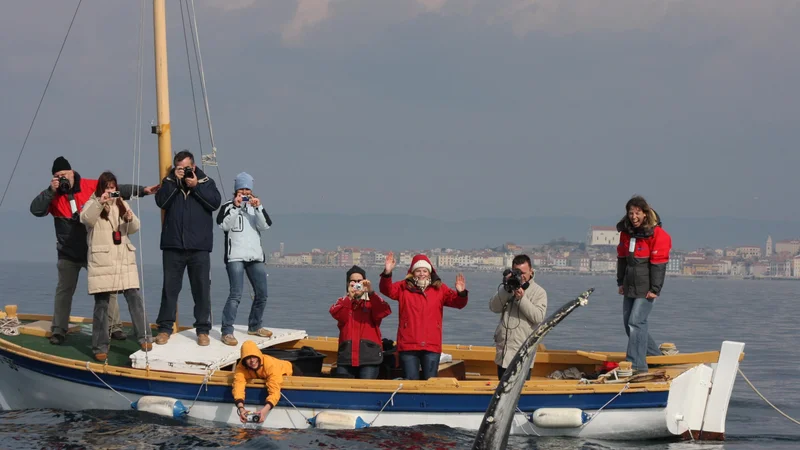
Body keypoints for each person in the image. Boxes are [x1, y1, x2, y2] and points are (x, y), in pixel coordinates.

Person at [30, 156, 158, 345]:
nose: (62, 178)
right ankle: (59, 330)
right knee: (64, 291)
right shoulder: (53, 195)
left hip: (94, 250)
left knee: (109, 288)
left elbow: (118, 189)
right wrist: (51, 190)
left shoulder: (91, 186)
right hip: (68, 252)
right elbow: (36, 210)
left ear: (72, 172)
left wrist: (143, 191)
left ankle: (114, 327)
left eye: (64, 175)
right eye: (58, 176)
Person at [79, 172, 153, 361]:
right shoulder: (92, 203)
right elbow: (86, 219)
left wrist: (129, 218)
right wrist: (100, 202)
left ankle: (145, 336)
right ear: (101, 188)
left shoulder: (122, 204)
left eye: (113, 187)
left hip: (123, 258)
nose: (110, 191)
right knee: (102, 304)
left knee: (134, 297)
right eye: (107, 187)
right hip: (102, 261)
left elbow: (135, 228)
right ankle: (99, 347)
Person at [154, 150, 221, 346]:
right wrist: (175, 182)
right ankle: (165, 329)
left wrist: (195, 187)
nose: (183, 171)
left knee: (201, 289)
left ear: (194, 165)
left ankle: (202, 330)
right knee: (169, 289)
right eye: (179, 168)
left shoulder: (206, 182)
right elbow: (161, 202)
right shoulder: (169, 182)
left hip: (199, 247)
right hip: (173, 245)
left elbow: (214, 203)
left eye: (186, 168)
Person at [379, 252, 468, 380]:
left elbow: (458, 303)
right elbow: (386, 290)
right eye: (418, 271)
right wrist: (387, 273)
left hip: (431, 344)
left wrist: (461, 293)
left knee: (430, 381)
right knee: (410, 381)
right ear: (412, 272)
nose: (422, 274)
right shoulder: (403, 287)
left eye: (425, 271)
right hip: (408, 344)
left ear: (430, 272)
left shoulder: (440, 289)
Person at [616, 195, 673, 374]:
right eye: (631, 213)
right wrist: (620, 282)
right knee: (629, 324)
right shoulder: (627, 233)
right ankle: (654, 356)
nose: (634, 217)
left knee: (636, 322)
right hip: (629, 284)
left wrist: (655, 289)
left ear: (645, 213)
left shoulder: (657, 235)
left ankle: (636, 364)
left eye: (637, 213)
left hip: (646, 287)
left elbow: (659, 264)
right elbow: (622, 259)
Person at [217, 172, 273, 346]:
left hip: (255, 257)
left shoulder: (255, 207)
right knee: (236, 294)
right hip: (235, 257)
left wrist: (258, 207)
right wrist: (236, 207)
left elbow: (265, 226)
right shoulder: (227, 206)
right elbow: (223, 225)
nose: (245, 192)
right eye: (242, 188)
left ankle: (255, 325)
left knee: (262, 294)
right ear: (236, 190)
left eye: (248, 188)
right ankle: (227, 331)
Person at [489, 254, 547, 380]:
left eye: (524, 273)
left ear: (531, 271)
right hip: (503, 354)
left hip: (523, 354)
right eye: (517, 272)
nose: (521, 276)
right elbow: (494, 307)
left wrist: (521, 299)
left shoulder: (539, 292)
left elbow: (538, 317)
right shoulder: (508, 288)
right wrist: (506, 289)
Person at [329, 265, 392, 379]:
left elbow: (385, 310)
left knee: (366, 389)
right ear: (347, 284)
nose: (356, 284)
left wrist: (371, 292)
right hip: (346, 358)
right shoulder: (342, 302)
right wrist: (349, 298)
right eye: (352, 282)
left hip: (369, 358)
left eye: (359, 281)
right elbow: (338, 315)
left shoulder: (372, 303)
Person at [232, 340, 303, 424]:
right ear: (243, 360)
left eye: (254, 356)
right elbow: (238, 386)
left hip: (291, 371)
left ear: (258, 356)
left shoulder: (270, 365)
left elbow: (275, 391)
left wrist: (264, 411)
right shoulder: (241, 368)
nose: (252, 360)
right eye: (248, 358)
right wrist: (241, 408)